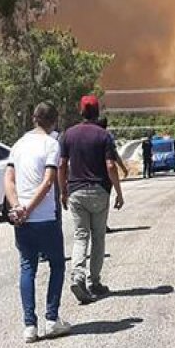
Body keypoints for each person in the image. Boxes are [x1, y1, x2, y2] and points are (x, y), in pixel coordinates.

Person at [5, 101, 70, 343]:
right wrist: (30, 209)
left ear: (33, 119)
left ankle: (29, 326)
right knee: (57, 265)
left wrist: (17, 207)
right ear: (54, 121)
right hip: (45, 217)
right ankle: (52, 319)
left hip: (22, 219)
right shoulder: (52, 144)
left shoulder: (18, 145)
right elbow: (48, 181)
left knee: (27, 268)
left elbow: (8, 178)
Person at [59, 95, 124, 303]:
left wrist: (63, 191)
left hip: (76, 191)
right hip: (99, 191)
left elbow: (61, 165)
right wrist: (119, 192)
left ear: (81, 112)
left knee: (80, 236)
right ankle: (94, 282)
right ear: (97, 113)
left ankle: (77, 276)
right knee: (98, 237)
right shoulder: (103, 136)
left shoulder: (68, 135)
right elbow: (111, 167)